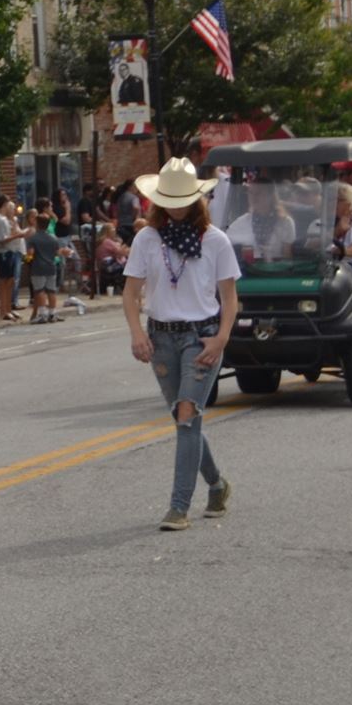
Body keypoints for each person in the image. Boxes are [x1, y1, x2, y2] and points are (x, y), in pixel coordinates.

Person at [122, 160, 238, 532]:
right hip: (161, 337)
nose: (176, 205)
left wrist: (221, 338)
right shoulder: (146, 239)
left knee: (187, 415)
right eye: (168, 199)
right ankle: (217, 486)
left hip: (201, 336)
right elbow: (130, 292)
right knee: (184, 419)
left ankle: (178, 507)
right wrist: (137, 333)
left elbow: (230, 298)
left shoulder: (216, 240)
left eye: (183, 198)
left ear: (196, 199)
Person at [0, 196, 26, 321]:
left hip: (11, 251)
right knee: (4, 281)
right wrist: (19, 235)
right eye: (7, 204)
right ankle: (3, 311)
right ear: (4, 205)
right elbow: (1, 240)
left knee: (10, 280)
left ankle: (8, 309)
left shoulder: (5, 219)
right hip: (3, 253)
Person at [25, 216, 64, 324]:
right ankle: (52, 313)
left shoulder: (33, 238)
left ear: (37, 224)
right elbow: (57, 253)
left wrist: (27, 257)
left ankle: (42, 314)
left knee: (40, 291)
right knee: (51, 291)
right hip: (51, 266)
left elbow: (30, 253)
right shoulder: (53, 238)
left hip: (38, 267)